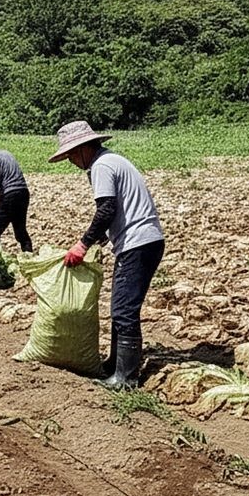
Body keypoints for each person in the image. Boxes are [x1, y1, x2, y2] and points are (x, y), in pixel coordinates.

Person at [50, 120, 165, 390]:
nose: (70, 161)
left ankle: (126, 378)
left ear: (82, 149)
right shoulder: (112, 160)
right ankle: (115, 365)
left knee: (124, 309)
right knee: (120, 306)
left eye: (70, 155)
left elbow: (106, 209)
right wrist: (102, 237)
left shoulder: (101, 166)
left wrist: (83, 244)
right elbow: (118, 209)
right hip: (144, 240)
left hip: (137, 243)